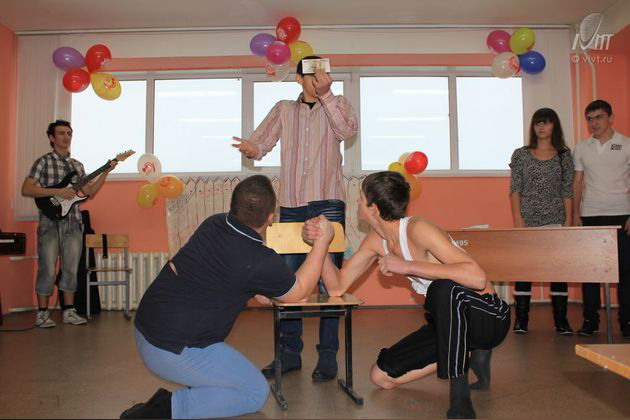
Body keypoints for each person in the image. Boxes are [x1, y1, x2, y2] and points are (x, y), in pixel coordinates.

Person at [119, 175, 335, 419]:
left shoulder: (214, 223)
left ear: (232, 205)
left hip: (145, 328)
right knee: (255, 392)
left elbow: (216, 271)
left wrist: (256, 289)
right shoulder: (260, 260)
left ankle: (166, 402)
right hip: (171, 350)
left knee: (229, 380)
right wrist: (321, 243)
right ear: (271, 217)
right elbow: (300, 292)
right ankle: (162, 410)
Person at [303, 171, 510, 419]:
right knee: (381, 376)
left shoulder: (419, 228)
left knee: (442, 289)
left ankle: (459, 394)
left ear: (373, 208)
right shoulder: (375, 241)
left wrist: (407, 266)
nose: (357, 202)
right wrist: (321, 244)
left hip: (489, 316)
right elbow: (337, 287)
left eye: (361, 198)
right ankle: (466, 351)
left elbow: (477, 278)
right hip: (450, 324)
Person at [232, 55, 358, 381]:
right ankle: (289, 354)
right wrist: (252, 148)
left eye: (322, 73)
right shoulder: (284, 109)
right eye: (311, 74)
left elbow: (347, 131)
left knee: (330, 285)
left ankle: (328, 356)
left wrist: (327, 95)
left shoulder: (338, 103)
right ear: (299, 79)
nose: (317, 78)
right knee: (287, 281)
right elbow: (262, 141)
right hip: (290, 206)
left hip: (328, 203)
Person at [21, 119, 116, 328]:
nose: (66, 137)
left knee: (71, 269)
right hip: (49, 223)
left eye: (69, 133)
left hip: (74, 223)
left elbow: (89, 192)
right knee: (47, 267)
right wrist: (58, 191)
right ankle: (42, 314)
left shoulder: (77, 165)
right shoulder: (43, 162)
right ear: (51, 137)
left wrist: (106, 172)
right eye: (61, 133)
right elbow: (26, 189)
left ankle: (69, 312)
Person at [508, 108, 575, 335]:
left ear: (554, 125)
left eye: (546, 122)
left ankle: (561, 321)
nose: (541, 127)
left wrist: (568, 223)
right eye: (538, 123)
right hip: (527, 221)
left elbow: (567, 191)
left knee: (558, 271)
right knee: (524, 270)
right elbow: (515, 189)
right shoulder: (521, 154)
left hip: (555, 220)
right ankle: (521, 320)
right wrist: (518, 220)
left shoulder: (564, 155)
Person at [572, 99, 630, 338]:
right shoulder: (581, 148)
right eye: (590, 119)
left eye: (599, 117)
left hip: (622, 213)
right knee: (590, 270)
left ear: (610, 118)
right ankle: (590, 320)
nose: (594, 123)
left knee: (625, 270)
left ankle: (627, 321)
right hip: (590, 214)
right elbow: (577, 181)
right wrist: (575, 214)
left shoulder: (626, 144)